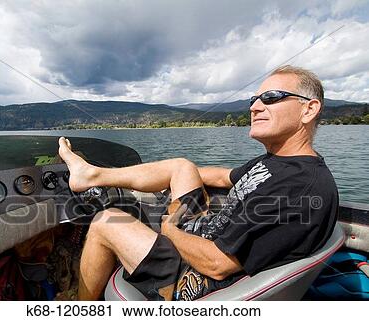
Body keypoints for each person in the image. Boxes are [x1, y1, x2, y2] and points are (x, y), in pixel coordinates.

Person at [58, 65, 338, 301]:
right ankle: (92, 175)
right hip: (205, 234)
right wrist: (172, 175)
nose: (254, 106)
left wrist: (170, 229)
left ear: (309, 109)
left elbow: (216, 265)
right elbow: (221, 177)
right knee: (182, 166)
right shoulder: (276, 162)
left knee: (105, 221)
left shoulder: (299, 187)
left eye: (271, 97)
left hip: (192, 278)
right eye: (254, 99)